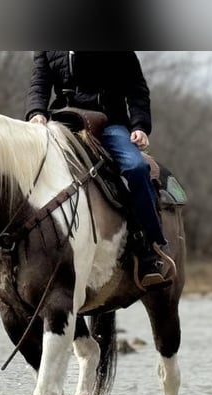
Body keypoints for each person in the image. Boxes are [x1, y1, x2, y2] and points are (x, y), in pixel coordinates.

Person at [25, 51, 172, 290]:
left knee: (136, 169)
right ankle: (0, 253)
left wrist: (140, 126)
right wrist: (36, 113)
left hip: (108, 122)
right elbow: (39, 83)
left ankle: (151, 247)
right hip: (61, 123)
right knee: (21, 165)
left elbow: (136, 89)